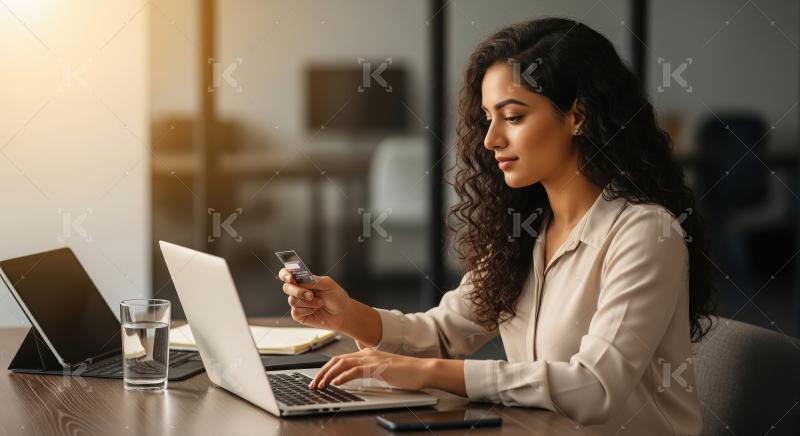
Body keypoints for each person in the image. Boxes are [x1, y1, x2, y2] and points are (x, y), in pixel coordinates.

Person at [280, 17, 716, 435]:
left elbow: (596, 389)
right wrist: (347, 314)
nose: (490, 140)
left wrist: (430, 372)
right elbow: (445, 333)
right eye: (488, 118)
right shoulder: (526, 229)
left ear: (577, 116)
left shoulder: (644, 233)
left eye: (513, 116)